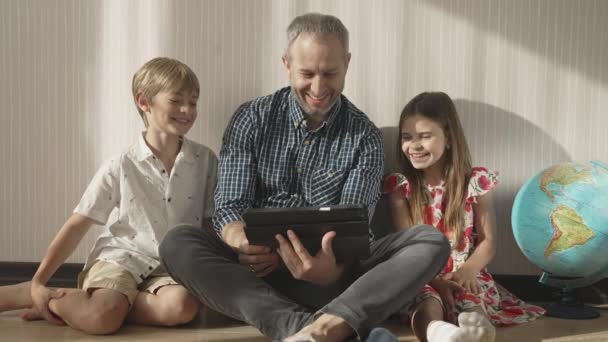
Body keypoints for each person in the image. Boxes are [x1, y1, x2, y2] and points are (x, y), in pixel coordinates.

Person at [160, 13, 450, 342]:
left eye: (330, 73)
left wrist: (331, 270)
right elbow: (229, 205)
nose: (318, 87)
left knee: (430, 240)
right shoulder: (251, 119)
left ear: (348, 64)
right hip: (256, 277)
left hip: (339, 280)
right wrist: (243, 243)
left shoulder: (363, 135)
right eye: (307, 73)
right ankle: (310, 328)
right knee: (178, 242)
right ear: (286, 64)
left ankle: (327, 323)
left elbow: (354, 223)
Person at [0, 57, 218, 335]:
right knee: (102, 320)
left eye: (194, 101)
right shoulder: (122, 165)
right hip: (121, 258)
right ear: (144, 102)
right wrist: (38, 281)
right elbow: (78, 225)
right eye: (176, 101)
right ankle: (36, 295)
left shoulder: (206, 161)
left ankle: (108, 304)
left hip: (170, 267)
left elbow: (211, 225)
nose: (187, 110)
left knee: (182, 308)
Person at [383, 92, 545, 342]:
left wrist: (468, 270)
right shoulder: (401, 187)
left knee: (469, 295)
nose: (414, 145)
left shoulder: (474, 182)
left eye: (425, 136)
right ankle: (441, 334)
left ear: (448, 137)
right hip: (419, 272)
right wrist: (435, 280)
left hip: (465, 271)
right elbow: (406, 248)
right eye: (407, 137)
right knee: (424, 300)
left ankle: (478, 330)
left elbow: (489, 240)